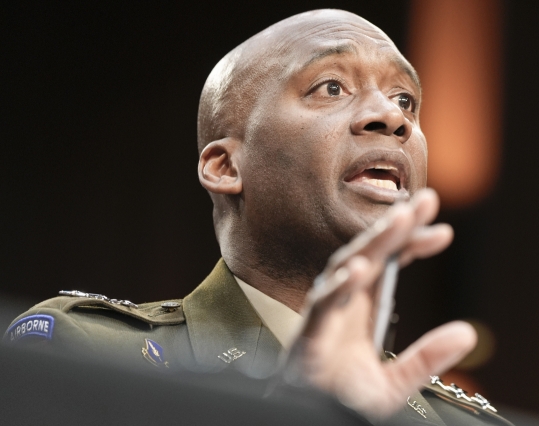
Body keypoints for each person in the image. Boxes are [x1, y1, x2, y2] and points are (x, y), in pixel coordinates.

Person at [4, 9, 512, 425]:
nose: (393, 116)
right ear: (225, 166)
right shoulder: (87, 355)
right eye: (332, 87)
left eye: (406, 100)